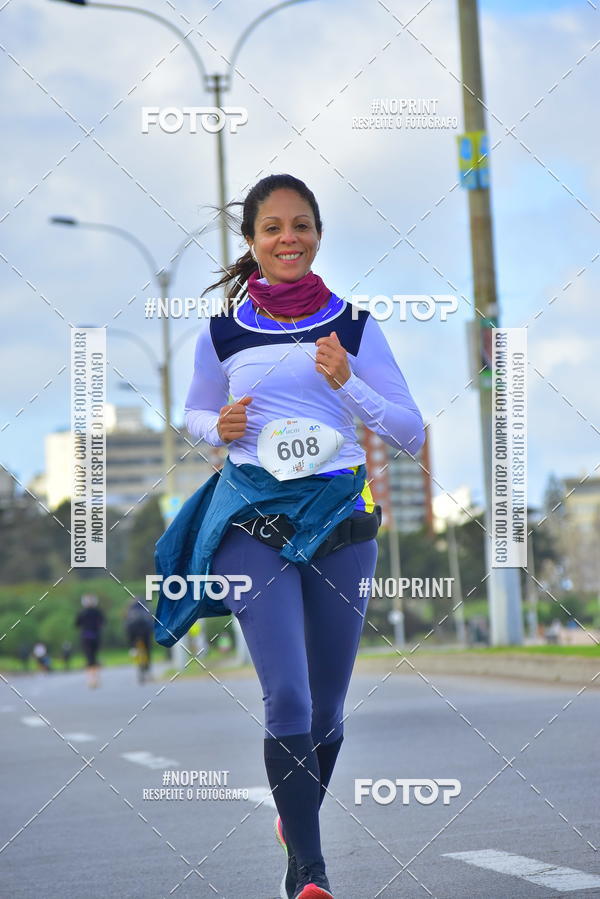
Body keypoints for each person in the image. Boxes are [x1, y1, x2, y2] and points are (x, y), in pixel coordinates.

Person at [183, 174, 425, 898]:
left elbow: (409, 431)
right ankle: (309, 874)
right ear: (252, 241)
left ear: (318, 235)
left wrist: (349, 382)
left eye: (301, 225)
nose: (288, 238)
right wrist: (217, 426)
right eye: (273, 227)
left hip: (339, 520)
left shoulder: (355, 325)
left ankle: (296, 819)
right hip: (252, 520)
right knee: (286, 695)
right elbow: (192, 414)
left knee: (326, 708)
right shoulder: (222, 332)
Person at [75, 594, 105, 689]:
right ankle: (96, 678)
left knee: (89, 658)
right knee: (95, 657)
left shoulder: (82, 612)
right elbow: (103, 622)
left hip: (86, 637)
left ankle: (91, 680)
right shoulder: (98, 611)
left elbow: (76, 624)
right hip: (96, 637)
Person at [125, 596, 153, 683]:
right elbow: (151, 622)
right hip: (145, 632)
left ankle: (133, 649)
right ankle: (147, 669)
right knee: (147, 649)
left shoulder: (130, 609)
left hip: (134, 632)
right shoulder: (146, 608)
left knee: (134, 645)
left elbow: (127, 625)